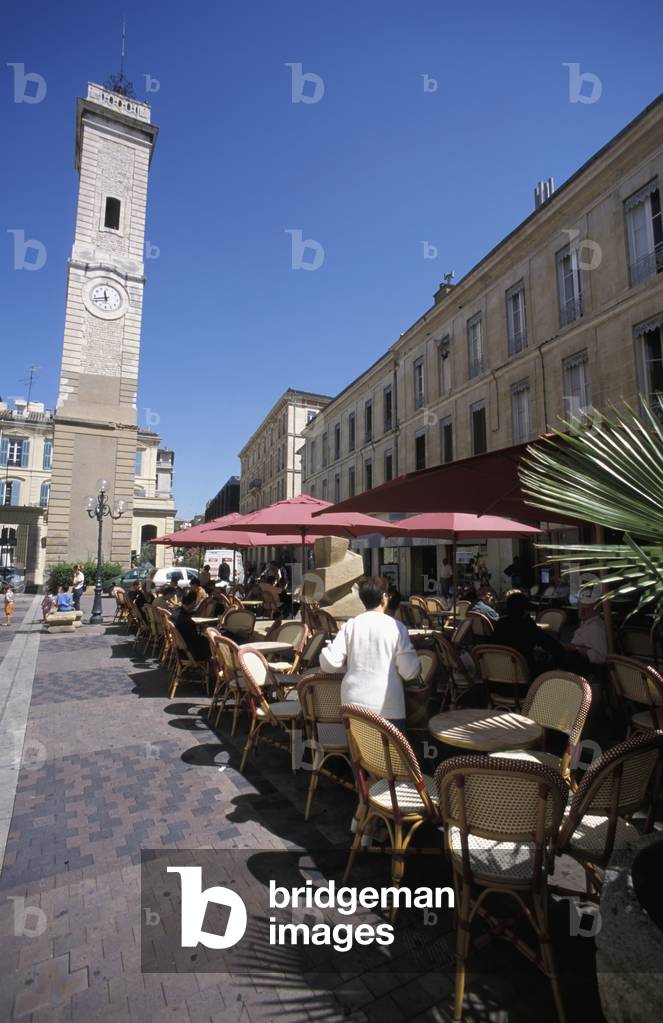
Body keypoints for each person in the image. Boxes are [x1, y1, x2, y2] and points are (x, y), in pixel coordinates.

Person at [319, 576, 421, 732]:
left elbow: (329, 663)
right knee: (392, 755)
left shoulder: (351, 626)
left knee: (359, 754)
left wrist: (325, 649)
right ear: (384, 597)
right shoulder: (396, 627)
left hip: (353, 705)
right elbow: (409, 672)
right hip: (388, 707)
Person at [491, 589, 564, 676]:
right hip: (523, 671)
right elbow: (548, 643)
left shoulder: (500, 623)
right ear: (525, 609)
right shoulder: (526, 624)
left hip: (499, 670)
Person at [562, 599, 607, 674]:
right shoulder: (587, 623)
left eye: (587, 609)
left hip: (585, 667)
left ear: (596, 611)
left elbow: (602, 657)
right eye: (581, 608)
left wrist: (576, 648)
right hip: (576, 659)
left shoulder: (596, 627)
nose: (582, 611)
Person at [171, 589, 210, 661]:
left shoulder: (175, 613)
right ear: (193, 602)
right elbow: (194, 639)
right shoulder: (186, 621)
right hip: (189, 653)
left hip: (178, 651)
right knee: (207, 640)